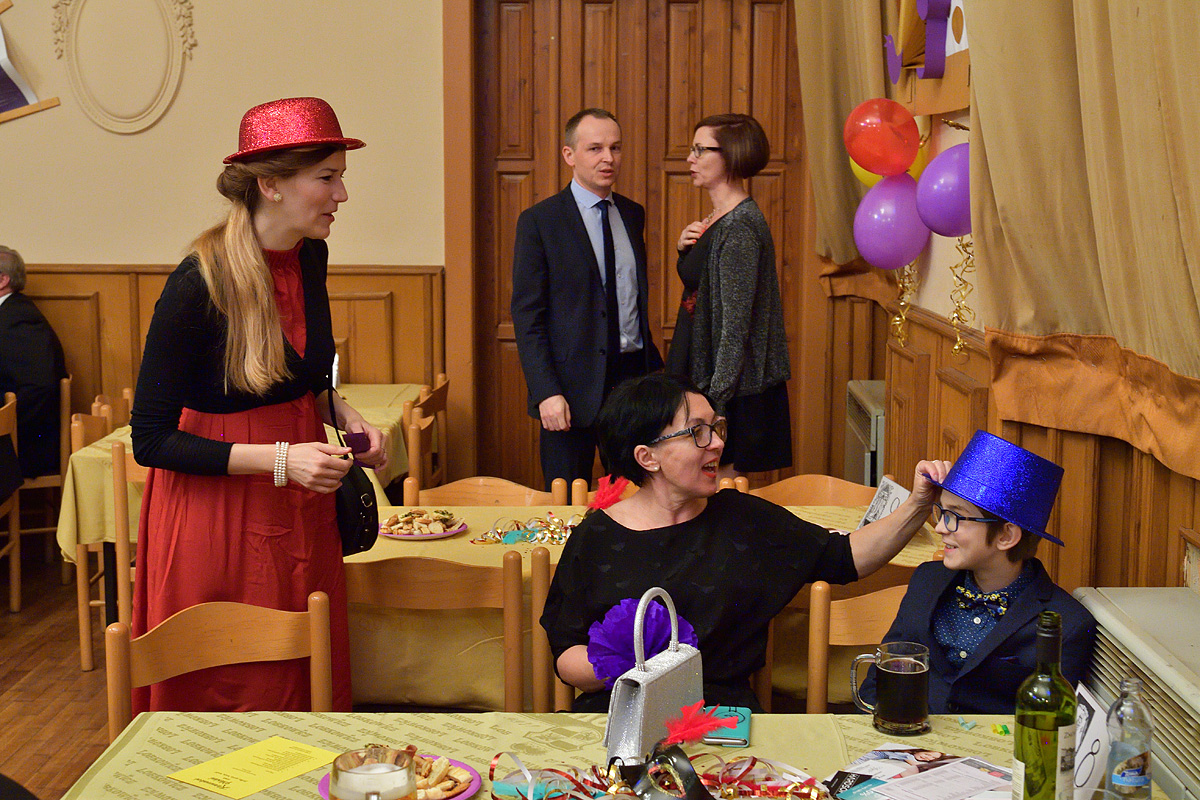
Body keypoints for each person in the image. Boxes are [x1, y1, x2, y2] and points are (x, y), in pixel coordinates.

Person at [130, 97, 385, 713]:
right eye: (326, 178)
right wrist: (281, 461)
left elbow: (299, 376)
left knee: (304, 670)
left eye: (340, 177)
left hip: (299, 499)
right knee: (236, 680)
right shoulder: (198, 282)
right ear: (271, 185)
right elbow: (151, 439)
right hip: (219, 511)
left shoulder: (310, 254)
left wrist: (341, 412)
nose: (341, 195)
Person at [540, 372, 947, 712]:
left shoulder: (744, 519)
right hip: (619, 710)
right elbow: (566, 655)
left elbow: (847, 557)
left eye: (716, 427)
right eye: (697, 432)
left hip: (720, 717)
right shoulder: (596, 537)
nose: (718, 443)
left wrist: (918, 503)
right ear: (648, 457)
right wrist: (640, 665)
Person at [860, 430, 1097, 715]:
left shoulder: (1067, 625)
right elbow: (879, 680)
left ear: (1006, 536)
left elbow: (1048, 724)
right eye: (941, 512)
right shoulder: (926, 580)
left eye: (955, 516)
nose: (940, 528)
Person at [512, 108, 663, 491]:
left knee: (636, 496)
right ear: (569, 155)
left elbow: (631, 298)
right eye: (595, 148)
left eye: (615, 148)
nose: (608, 158)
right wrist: (546, 391)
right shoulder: (540, 222)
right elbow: (528, 317)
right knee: (566, 501)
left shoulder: (632, 214)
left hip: (630, 382)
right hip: (568, 390)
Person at [666, 114, 790, 477]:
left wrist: (716, 404)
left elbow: (736, 326)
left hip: (730, 393)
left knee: (721, 492)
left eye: (700, 150)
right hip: (711, 382)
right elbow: (702, 289)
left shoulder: (739, 227)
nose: (690, 158)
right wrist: (685, 251)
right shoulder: (720, 218)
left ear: (732, 155)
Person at [0, 245, 68, 479]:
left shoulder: (18, 319)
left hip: (24, 445)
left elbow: (39, 388)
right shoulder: (11, 313)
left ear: (2, 280)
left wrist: (5, 425)